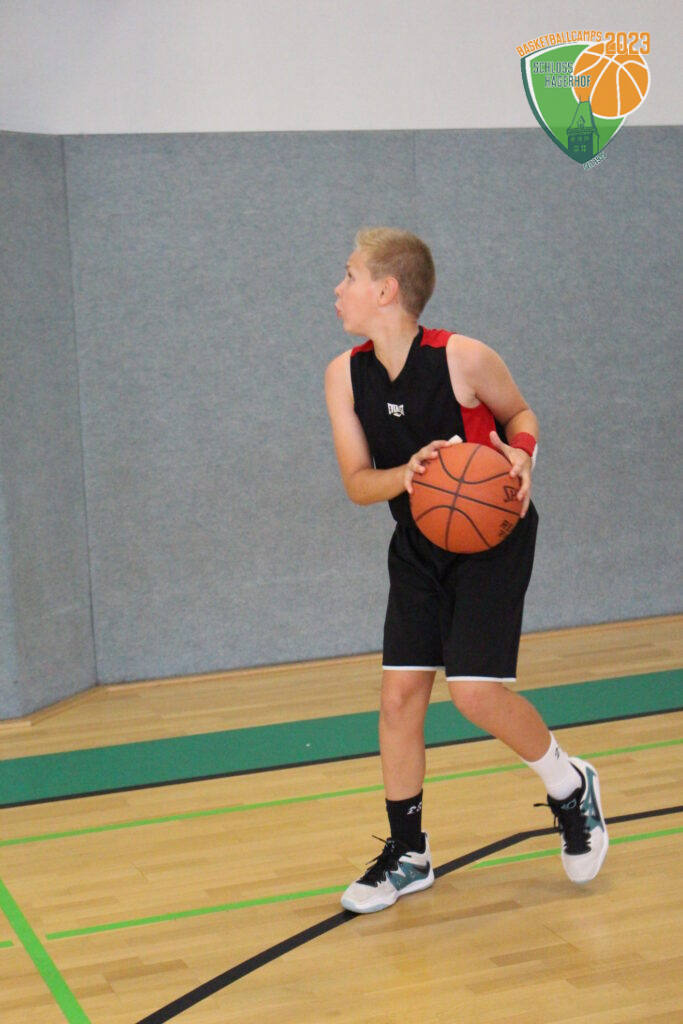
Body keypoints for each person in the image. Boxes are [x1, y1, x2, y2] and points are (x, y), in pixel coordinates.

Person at [325, 227, 608, 915]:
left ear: (386, 289)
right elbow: (358, 483)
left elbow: (520, 414)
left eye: (350, 275)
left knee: (475, 695)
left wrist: (522, 454)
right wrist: (408, 473)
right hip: (418, 541)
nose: (338, 288)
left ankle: (569, 785)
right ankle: (409, 854)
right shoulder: (343, 376)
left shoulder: (463, 358)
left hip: (492, 540)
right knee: (398, 699)